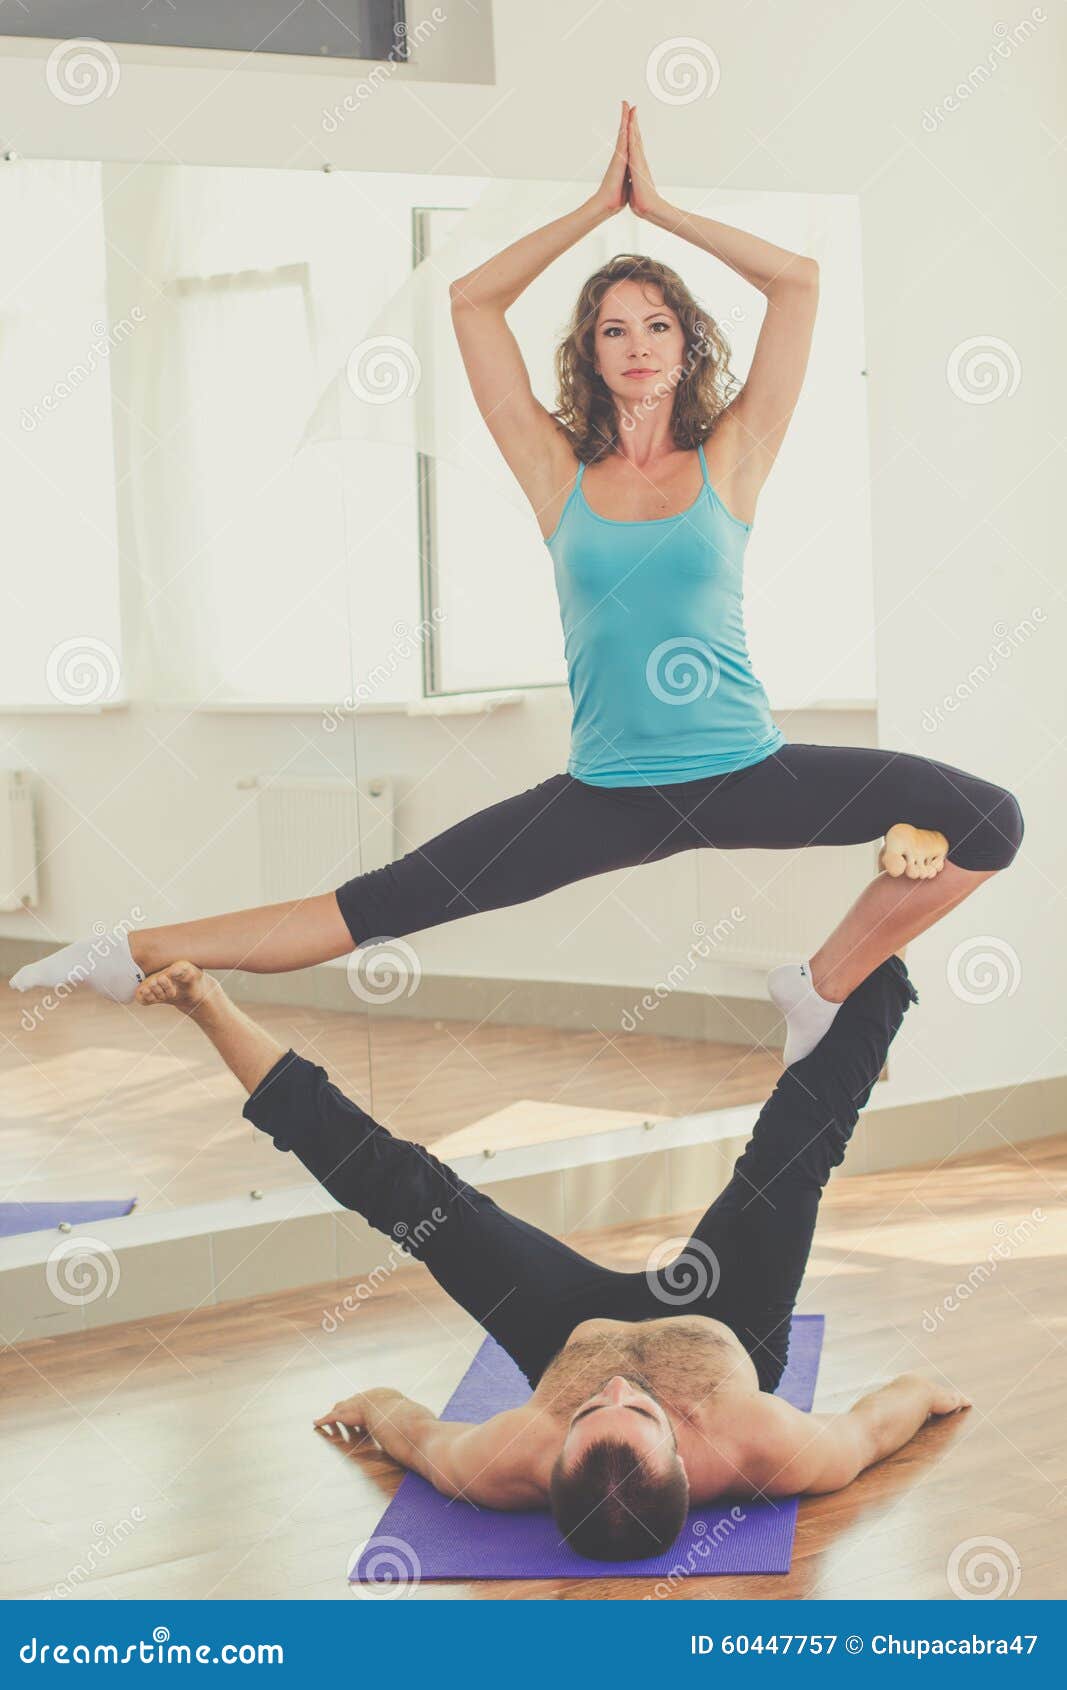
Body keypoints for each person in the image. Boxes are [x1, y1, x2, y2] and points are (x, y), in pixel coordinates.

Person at [10, 103, 1023, 1072]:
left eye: (657, 325)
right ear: (588, 351)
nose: (636, 345)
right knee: (379, 903)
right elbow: (469, 301)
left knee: (989, 818)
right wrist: (594, 209)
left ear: (685, 346)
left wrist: (655, 209)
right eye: (613, 328)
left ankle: (818, 984)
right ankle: (126, 948)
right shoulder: (556, 474)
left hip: (743, 767)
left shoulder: (733, 459)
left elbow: (797, 283)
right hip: (606, 793)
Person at [134, 947, 971, 1564]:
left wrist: (369, 1405)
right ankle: (883, 966)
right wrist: (929, 1389)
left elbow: (409, 1429)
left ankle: (205, 1002)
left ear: (551, 1459)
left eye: (586, 1411)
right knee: (793, 1155)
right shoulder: (773, 1448)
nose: (614, 1386)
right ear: (691, 1458)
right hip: (728, 1328)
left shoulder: (501, 1465)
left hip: (562, 1327)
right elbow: (875, 1424)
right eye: (637, 1411)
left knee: (408, 1193)